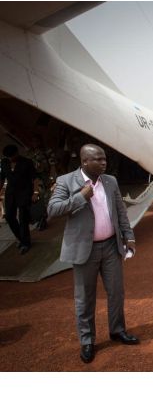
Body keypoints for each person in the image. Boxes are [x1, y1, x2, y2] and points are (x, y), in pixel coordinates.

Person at [47, 144, 139, 364]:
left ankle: (117, 330)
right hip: (83, 250)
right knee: (84, 299)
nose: (103, 162)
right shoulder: (66, 181)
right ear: (85, 162)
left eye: (104, 159)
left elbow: (120, 211)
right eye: (98, 159)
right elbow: (52, 209)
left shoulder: (110, 181)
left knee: (116, 292)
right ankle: (87, 341)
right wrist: (81, 197)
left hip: (110, 247)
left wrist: (129, 235)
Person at [0, 145, 37, 255]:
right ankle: (21, 238)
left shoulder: (27, 162)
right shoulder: (4, 162)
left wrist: (35, 193)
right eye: (8, 157)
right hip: (10, 193)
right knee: (10, 217)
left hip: (24, 192)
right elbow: (1, 179)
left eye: (12, 156)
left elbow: (35, 178)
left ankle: (26, 243)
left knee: (23, 219)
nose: (11, 159)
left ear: (17, 153)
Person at [26, 134, 57, 230]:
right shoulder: (29, 152)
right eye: (33, 141)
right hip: (33, 178)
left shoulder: (47, 151)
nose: (35, 143)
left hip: (44, 176)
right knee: (37, 198)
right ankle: (40, 218)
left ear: (40, 141)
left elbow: (53, 164)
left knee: (45, 197)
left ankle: (43, 219)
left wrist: (52, 178)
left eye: (37, 140)